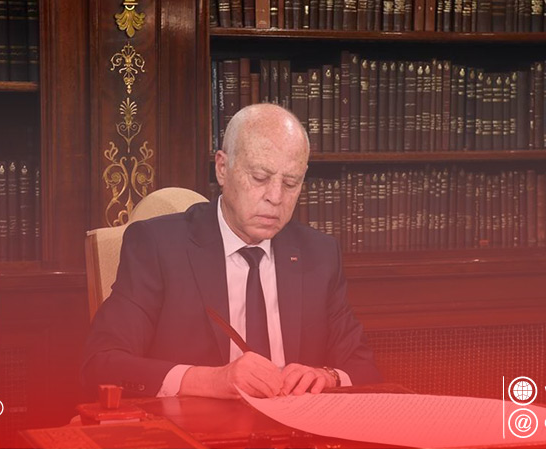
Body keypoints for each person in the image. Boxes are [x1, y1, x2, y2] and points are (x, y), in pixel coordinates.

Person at [82, 103, 381, 399]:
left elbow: (364, 368)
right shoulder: (157, 246)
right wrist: (213, 380)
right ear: (222, 168)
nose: (275, 197)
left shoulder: (320, 254)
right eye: (260, 178)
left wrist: (328, 377)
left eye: (291, 183)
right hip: (198, 425)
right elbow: (102, 364)